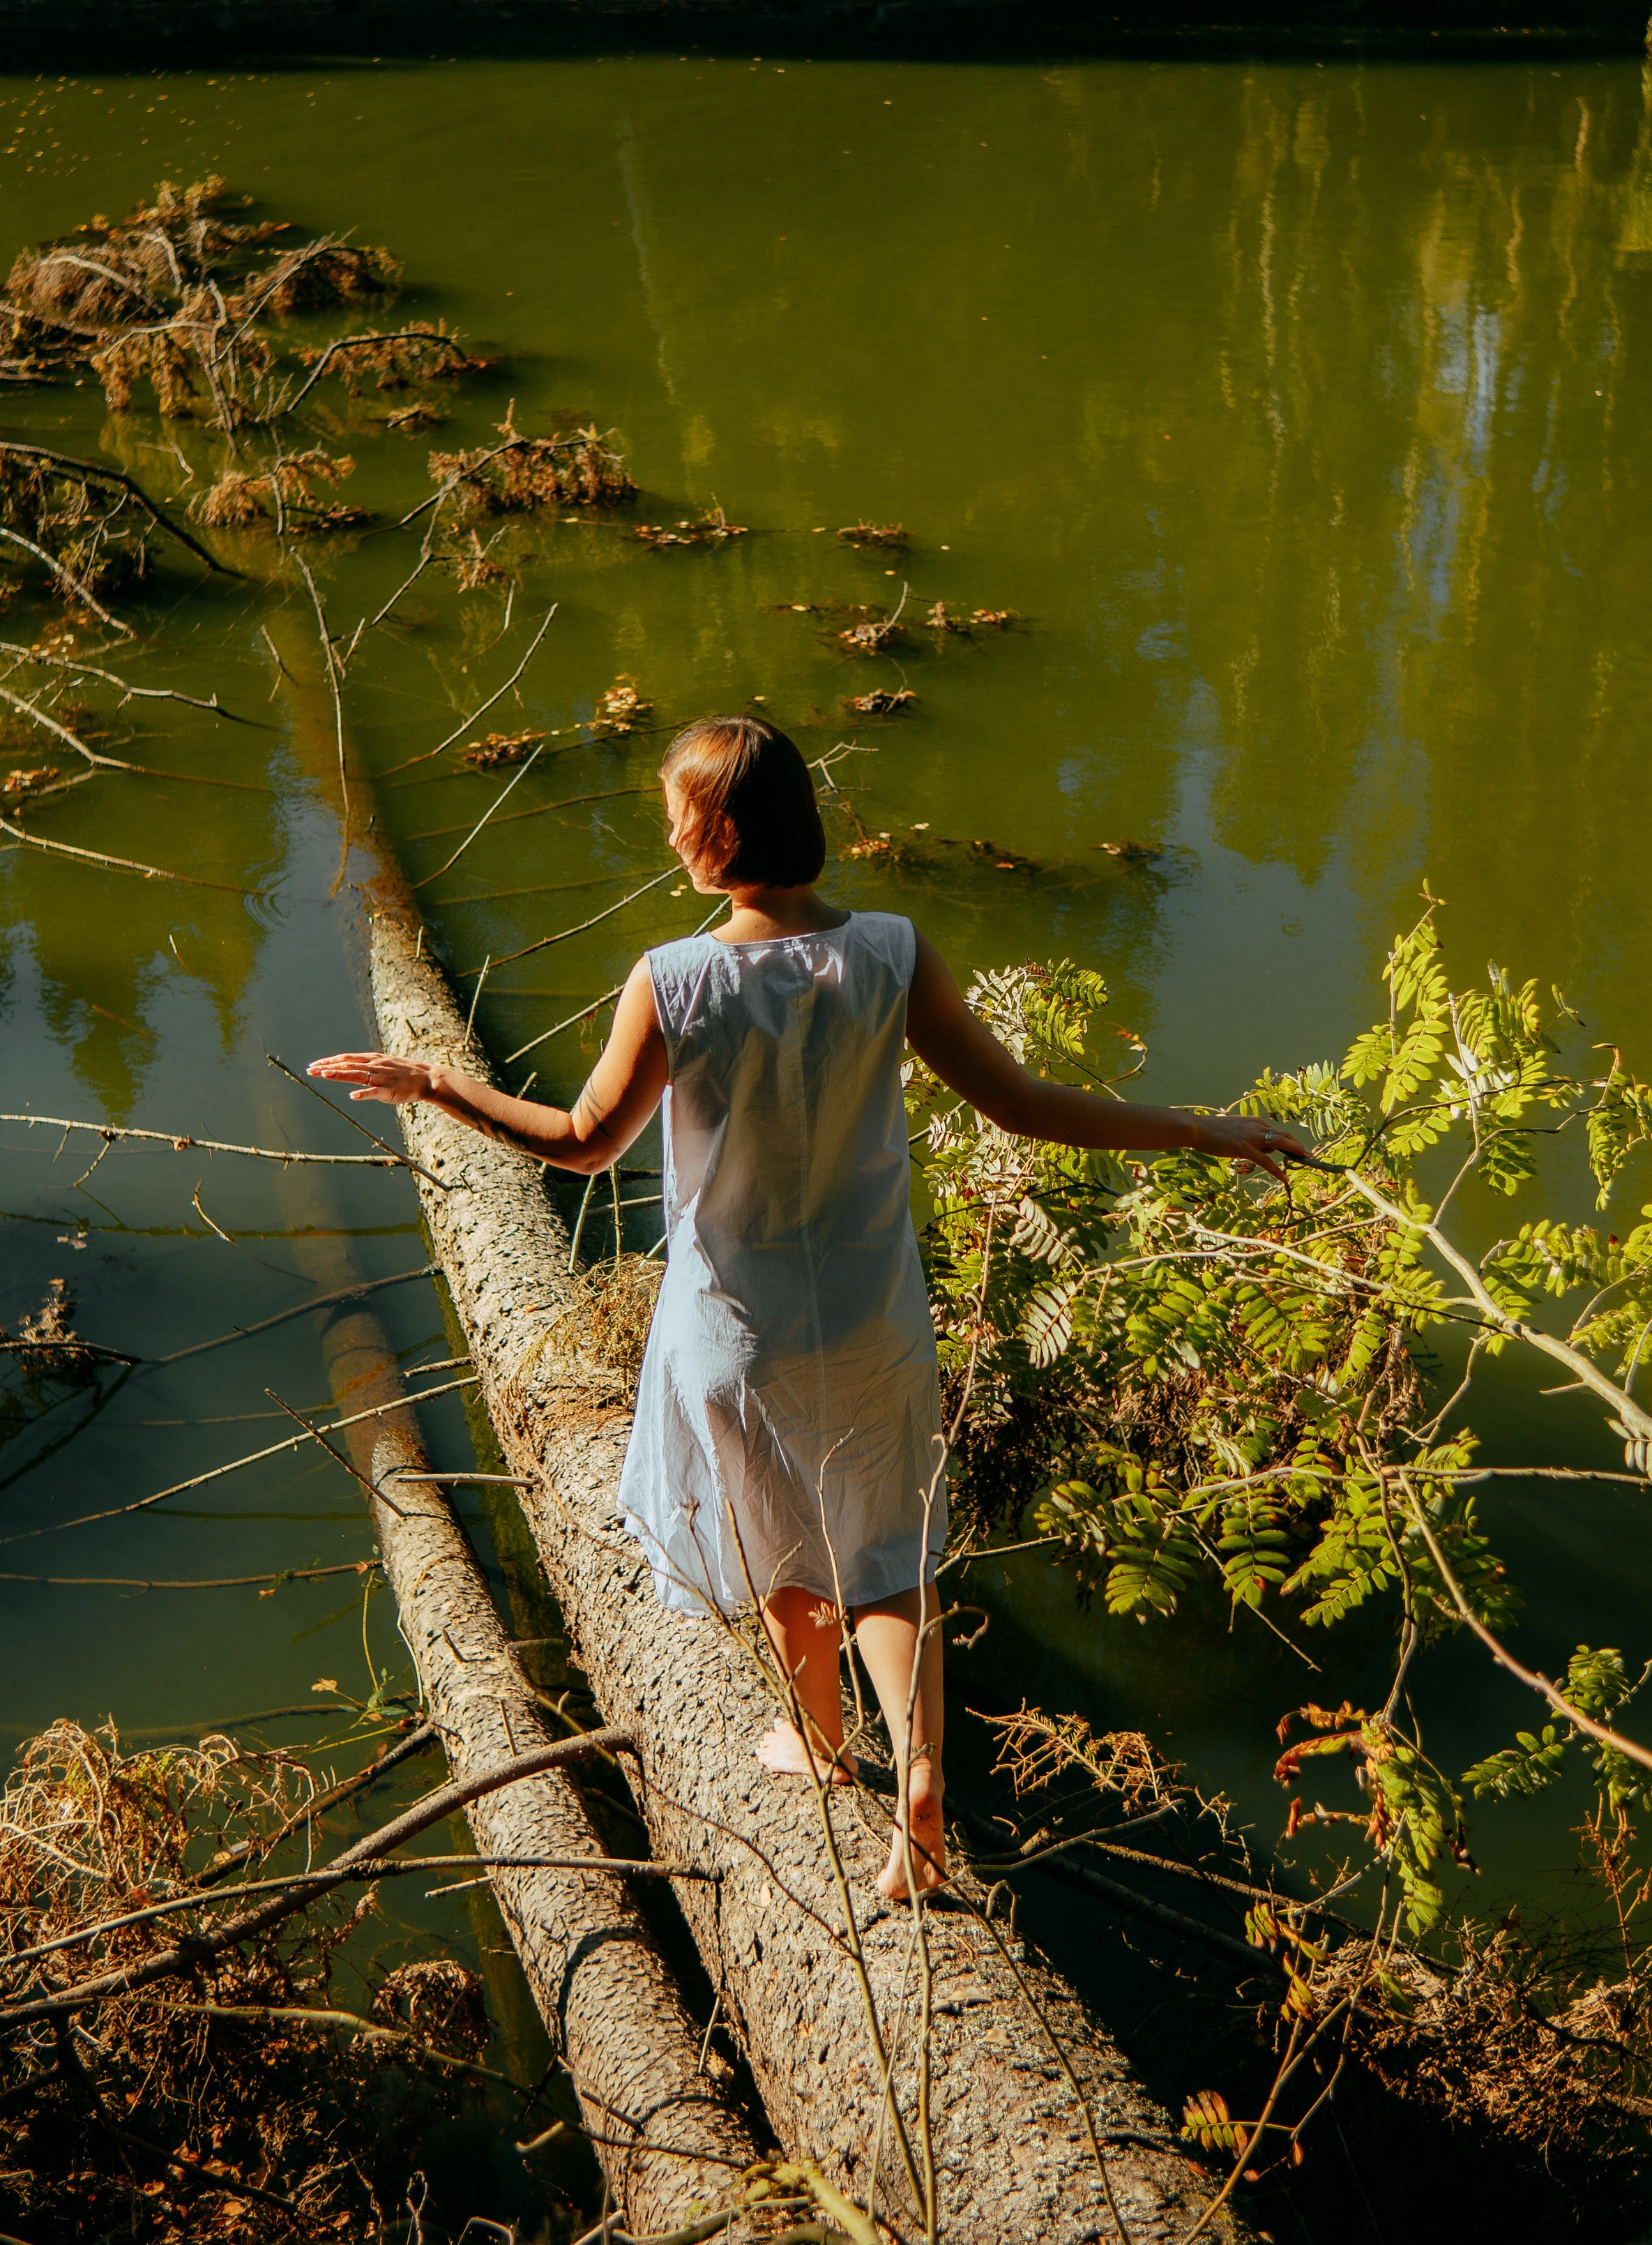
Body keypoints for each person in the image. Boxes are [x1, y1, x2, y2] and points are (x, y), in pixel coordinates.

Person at [309, 716, 1311, 1900]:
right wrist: (1201, 1130)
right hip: (871, 1319)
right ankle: (921, 1774)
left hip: (736, 1328)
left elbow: (580, 1143)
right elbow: (1023, 1105)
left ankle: (824, 1743)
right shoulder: (891, 950)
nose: (669, 838)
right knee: (885, 1554)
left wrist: (437, 1084)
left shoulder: (672, 979)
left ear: (725, 831)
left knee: (782, 1544)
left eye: (677, 818)